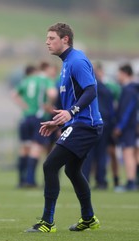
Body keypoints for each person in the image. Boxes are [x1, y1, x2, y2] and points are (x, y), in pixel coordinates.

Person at [26, 23, 103, 233]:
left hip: (86, 125)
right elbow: (75, 97)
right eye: (47, 38)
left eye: (51, 38)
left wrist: (71, 112)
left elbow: (91, 91)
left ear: (65, 39)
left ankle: (47, 222)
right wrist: (60, 120)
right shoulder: (67, 62)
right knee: (72, 169)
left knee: (50, 165)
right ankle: (88, 218)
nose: (47, 42)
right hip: (79, 124)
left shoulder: (76, 60)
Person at [12, 64, 56, 188]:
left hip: (25, 118)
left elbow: (14, 94)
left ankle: (21, 180)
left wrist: (24, 106)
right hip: (39, 117)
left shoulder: (25, 80)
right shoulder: (45, 80)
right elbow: (52, 94)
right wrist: (49, 105)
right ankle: (30, 181)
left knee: (24, 148)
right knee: (36, 148)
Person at [82, 62, 115, 190]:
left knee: (88, 154)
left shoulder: (86, 88)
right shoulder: (107, 89)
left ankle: (84, 181)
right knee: (101, 154)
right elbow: (112, 109)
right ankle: (101, 181)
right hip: (104, 124)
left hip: (90, 123)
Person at [113, 63, 137, 192]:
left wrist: (120, 126)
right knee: (131, 154)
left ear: (125, 73)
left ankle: (130, 182)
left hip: (128, 127)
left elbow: (127, 110)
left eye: (119, 73)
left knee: (128, 154)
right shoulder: (131, 89)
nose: (117, 76)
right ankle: (132, 181)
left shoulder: (128, 90)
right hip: (131, 126)